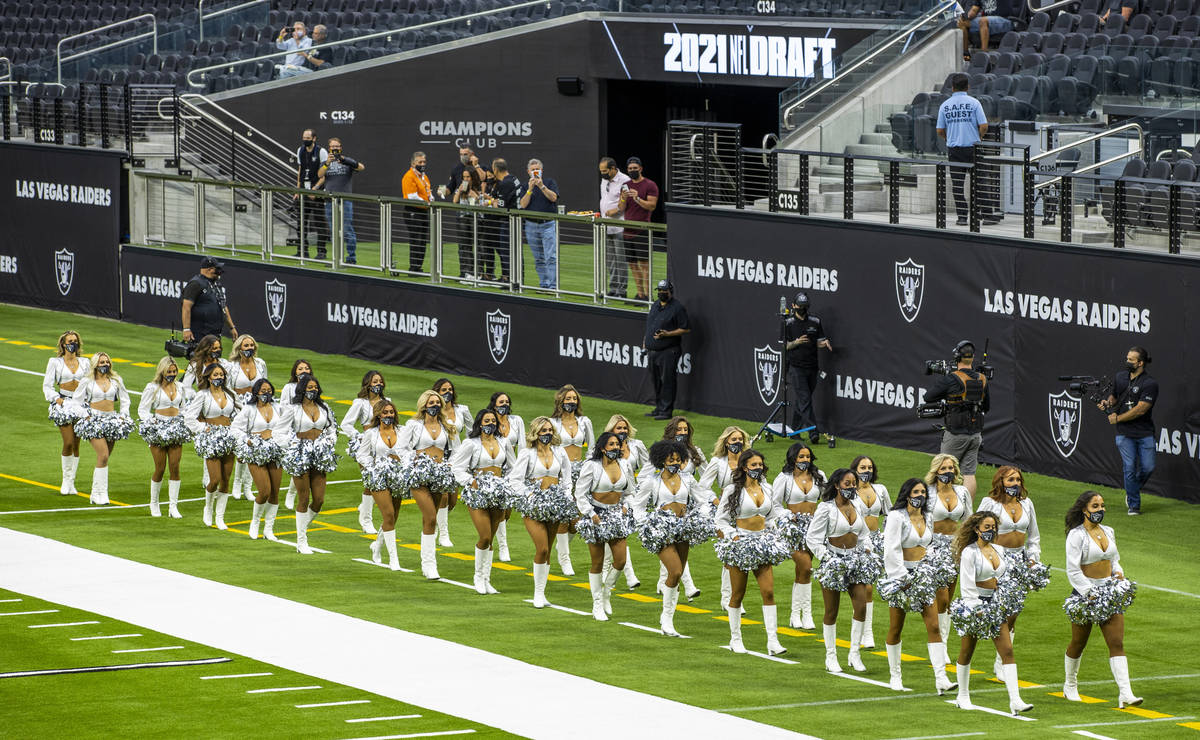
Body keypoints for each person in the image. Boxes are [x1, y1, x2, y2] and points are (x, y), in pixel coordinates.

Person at [949, 510, 1034, 715]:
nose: (991, 530)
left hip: (995, 605)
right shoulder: (969, 552)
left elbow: (1004, 577)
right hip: (975, 606)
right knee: (967, 652)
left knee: (1007, 651)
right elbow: (967, 585)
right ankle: (963, 695)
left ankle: (1015, 700)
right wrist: (976, 609)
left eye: (993, 527)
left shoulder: (999, 549)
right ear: (977, 529)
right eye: (987, 527)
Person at [1061, 491, 1142, 708]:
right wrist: (1089, 592)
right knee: (1079, 643)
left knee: (1116, 643)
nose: (1100, 510)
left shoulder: (1109, 531)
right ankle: (1070, 685)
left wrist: (1118, 572)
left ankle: (1125, 693)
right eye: (1095, 506)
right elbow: (1073, 570)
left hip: (1110, 593)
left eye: (1102, 506)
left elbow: (1114, 559)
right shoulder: (1076, 535)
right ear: (1084, 510)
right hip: (1085, 594)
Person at [879, 479, 957, 694]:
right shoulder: (896, 517)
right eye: (916, 491)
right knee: (896, 628)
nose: (920, 495)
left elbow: (928, 545)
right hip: (901, 577)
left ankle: (941, 677)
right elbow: (890, 549)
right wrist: (902, 578)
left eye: (923, 491)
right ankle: (895, 675)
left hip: (923, 576)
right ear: (906, 494)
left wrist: (930, 566)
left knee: (933, 626)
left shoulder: (928, 516)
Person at [633, 440, 716, 637]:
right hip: (662, 530)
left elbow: (702, 500)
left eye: (678, 460)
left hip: (683, 529)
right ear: (661, 461)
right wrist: (647, 523)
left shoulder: (688, 479)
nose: (675, 463)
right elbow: (638, 506)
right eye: (671, 459)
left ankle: (667, 618)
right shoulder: (651, 481)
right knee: (676, 570)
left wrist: (701, 516)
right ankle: (666, 619)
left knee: (677, 575)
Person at [715, 448, 790, 656]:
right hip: (740, 544)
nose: (757, 468)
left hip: (762, 544)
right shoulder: (733, 490)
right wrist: (733, 535)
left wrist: (778, 525)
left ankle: (773, 641)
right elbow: (720, 519)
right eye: (753, 465)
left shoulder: (767, 487)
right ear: (744, 467)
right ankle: (735, 638)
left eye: (759, 464)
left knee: (768, 592)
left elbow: (772, 515)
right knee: (738, 594)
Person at [806, 468, 881, 673]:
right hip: (833, 562)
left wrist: (867, 549)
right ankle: (831, 656)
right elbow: (812, 538)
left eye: (853, 483)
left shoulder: (857, 505)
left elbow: (864, 534)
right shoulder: (826, 509)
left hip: (855, 562)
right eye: (847, 484)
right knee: (832, 611)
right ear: (837, 485)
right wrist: (827, 557)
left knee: (861, 606)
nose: (851, 487)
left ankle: (854, 654)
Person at [976, 466, 1047, 678]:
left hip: (1020, 563)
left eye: (1017, 479)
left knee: (1013, 613)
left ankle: (1001, 663)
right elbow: (976, 531)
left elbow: (1033, 537)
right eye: (1010, 480)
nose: (1015, 483)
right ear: (1000, 482)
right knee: (995, 613)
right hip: (996, 561)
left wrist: (1033, 559)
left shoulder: (1027, 504)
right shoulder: (990, 504)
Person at [507, 416, 576, 608]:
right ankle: (537, 594)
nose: (547, 434)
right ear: (535, 433)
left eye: (549, 430)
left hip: (554, 506)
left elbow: (567, 478)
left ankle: (542, 593)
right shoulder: (526, 454)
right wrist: (530, 496)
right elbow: (515, 480)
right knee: (542, 548)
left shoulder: (560, 452)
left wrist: (565, 496)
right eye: (543, 431)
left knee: (547, 551)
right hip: (534, 506)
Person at [451, 408, 518, 595]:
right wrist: (471, 482)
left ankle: (487, 579)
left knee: (491, 539)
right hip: (478, 493)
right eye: (487, 421)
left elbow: (514, 467)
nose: (490, 424)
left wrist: (506, 484)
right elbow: (457, 468)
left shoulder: (504, 442)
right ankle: (478, 577)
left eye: (493, 421)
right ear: (480, 424)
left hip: (498, 493)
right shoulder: (470, 444)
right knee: (485, 536)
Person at [573, 432, 636, 622]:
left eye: (617, 444)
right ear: (602, 448)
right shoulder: (592, 466)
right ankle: (597, 603)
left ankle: (607, 591)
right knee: (597, 563)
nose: (616, 447)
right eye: (611, 444)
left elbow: (631, 492)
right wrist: (591, 514)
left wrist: (626, 506)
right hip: (596, 515)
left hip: (616, 516)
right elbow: (580, 494)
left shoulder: (625, 464)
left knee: (621, 560)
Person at [397, 390, 458, 579]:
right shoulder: (413, 425)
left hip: (439, 474)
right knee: (431, 517)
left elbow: (457, 451)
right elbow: (401, 447)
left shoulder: (447, 426)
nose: (435, 405)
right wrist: (413, 462)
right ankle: (429, 564)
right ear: (423, 405)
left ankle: (428, 564)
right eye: (431, 402)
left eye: (437, 402)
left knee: (431, 518)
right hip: (419, 475)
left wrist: (449, 466)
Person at [281, 373, 339, 555]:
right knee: (304, 498)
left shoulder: (324, 408)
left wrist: (330, 442)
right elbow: (279, 431)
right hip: (300, 454)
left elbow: (331, 430)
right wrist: (291, 446)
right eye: (309, 388)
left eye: (315, 388)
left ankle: (302, 528)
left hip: (320, 454)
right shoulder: (293, 409)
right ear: (302, 389)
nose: (313, 391)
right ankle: (301, 541)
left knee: (319, 500)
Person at [924, 340, 990, 496]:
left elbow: (928, 397)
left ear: (956, 358)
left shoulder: (952, 378)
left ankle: (941, 507)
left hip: (955, 433)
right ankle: (967, 513)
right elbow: (986, 407)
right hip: (975, 434)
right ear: (972, 358)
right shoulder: (982, 379)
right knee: (969, 473)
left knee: (943, 469)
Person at [772, 441, 825, 630]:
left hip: (813, 529)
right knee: (806, 566)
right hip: (792, 529)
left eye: (807, 457)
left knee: (802, 572)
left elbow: (826, 500)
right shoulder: (783, 478)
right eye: (801, 457)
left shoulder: (819, 476)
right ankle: (806, 614)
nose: (805, 460)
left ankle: (796, 616)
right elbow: (775, 504)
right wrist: (787, 516)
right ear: (793, 458)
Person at [1098, 346, 1157, 515]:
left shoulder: (1150, 384)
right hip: (1124, 434)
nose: (1127, 361)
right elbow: (1114, 396)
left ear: (1140, 363)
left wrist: (1118, 418)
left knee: (1148, 467)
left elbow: (1141, 409)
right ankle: (1134, 505)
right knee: (1129, 467)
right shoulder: (1120, 377)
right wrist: (1107, 403)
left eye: (1131, 359)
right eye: (1127, 358)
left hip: (1145, 432)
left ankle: (1132, 490)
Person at [73, 352, 134, 506]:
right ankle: (102, 493)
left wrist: (123, 416)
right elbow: (76, 401)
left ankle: (96, 493)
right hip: (94, 420)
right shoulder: (87, 381)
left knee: (104, 458)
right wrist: (85, 415)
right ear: (95, 365)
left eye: (107, 362)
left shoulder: (116, 380)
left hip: (112, 420)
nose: (105, 364)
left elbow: (125, 400)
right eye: (101, 362)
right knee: (104, 455)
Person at [184, 362, 240, 528]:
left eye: (221, 375)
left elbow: (244, 413)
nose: (219, 378)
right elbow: (189, 417)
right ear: (208, 377)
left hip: (228, 438)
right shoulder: (202, 395)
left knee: (225, 480)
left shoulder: (231, 394)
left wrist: (237, 428)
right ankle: (208, 509)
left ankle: (220, 517)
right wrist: (202, 428)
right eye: (215, 375)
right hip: (211, 439)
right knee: (214, 479)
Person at [232, 378, 288, 540]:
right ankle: (255, 522)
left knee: (275, 493)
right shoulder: (248, 410)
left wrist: (278, 436)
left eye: (269, 390)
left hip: (275, 452)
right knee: (264, 491)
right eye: (263, 390)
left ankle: (268, 529)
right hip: (256, 452)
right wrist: (248, 440)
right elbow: (235, 428)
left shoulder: (278, 408)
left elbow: (287, 427)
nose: (266, 393)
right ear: (256, 392)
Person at [925, 453, 973, 642]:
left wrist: (969, 545)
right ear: (936, 471)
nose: (947, 472)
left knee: (948, 598)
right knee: (941, 596)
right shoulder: (927, 492)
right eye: (943, 468)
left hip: (955, 547)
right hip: (932, 547)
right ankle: (937, 638)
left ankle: (941, 641)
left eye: (950, 468)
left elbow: (969, 519)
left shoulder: (962, 492)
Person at [699, 425, 748, 608]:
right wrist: (715, 501)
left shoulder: (749, 460)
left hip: (746, 513)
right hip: (725, 513)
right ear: (726, 442)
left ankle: (736, 597)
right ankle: (727, 597)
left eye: (740, 439)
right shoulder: (718, 462)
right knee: (729, 555)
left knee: (741, 556)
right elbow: (702, 486)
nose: (737, 442)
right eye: (734, 439)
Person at [355, 401, 408, 571]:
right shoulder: (371, 433)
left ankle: (377, 546)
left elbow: (410, 451)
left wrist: (404, 462)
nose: (389, 415)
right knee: (388, 514)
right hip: (378, 477)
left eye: (391, 412)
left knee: (393, 517)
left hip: (398, 477)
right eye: (385, 412)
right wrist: (374, 467)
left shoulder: (403, 431)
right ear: (378, 415)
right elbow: (361, 455)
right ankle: (394, 559)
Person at [137, 356, 190, 518]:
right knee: (160, 468)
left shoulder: (180, 387)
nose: (172, 374)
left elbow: (183, 408)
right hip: (158, 430)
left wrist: (183, 421)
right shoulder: (152, 388)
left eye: (174, 371)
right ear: (162, 371)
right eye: (169, 371)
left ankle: (173, 506)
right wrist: (151, 423)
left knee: (175, 467)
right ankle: (154, 503)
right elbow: (143, 410)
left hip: (175, 430)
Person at [936, 75, 993, 227]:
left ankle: (962, 217)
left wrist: (948, 138)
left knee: (957, 185)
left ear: (952, 88)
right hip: (973, 148)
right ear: (967, 87)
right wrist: (978, 136)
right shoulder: (974, 103)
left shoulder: (945, 105)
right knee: (980, 182)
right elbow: (984, 126)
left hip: (954, 150)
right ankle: (987, 215)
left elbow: (940, 130)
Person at [550, 384, 594, 576]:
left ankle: (561, 548)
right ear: (560, 401)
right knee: (562, 516)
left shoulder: (584, 421)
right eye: (568, 399)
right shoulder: (552, 423)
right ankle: (565, 559)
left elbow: (592, 447)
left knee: (577, 519)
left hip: (581, 472)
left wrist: (589, 468)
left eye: (574, 399)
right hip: (561, 473)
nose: (571, 402)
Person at [341, 370, 389, 536]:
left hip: (382, 445)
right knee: (370, 482)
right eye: (375, 382)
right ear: (368, 384)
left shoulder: (387, 402)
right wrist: (360, 437)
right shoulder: (360, 403)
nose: (378, 384)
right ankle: (366, 520)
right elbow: (346, 424)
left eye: (380, 381)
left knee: (381, 482)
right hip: (366, 445)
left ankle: (365, 506)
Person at [43, 330, 90, 496]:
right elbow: (47, 386)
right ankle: (65, 480)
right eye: (70, 341)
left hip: (81, 404)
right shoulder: (55, 362)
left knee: (77, 444)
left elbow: (91, 384)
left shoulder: (85, 362)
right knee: (68, 442)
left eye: (75, 341)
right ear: (63, 344)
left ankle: (71, 483)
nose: (73, 344)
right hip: (63, 403)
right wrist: (57, 399)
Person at [852, 454, 891, 649]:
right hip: (858, 543)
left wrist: (886, 537)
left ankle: (864, 632)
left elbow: (890, 514)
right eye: (863, 467)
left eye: (869, 468)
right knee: (864, 587)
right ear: (855, 470)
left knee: (869, 587)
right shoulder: (850, 490)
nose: (867, 471)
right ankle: (865, 633)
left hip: (876, 541)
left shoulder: (880, 490)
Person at [784, 292, 833, 442]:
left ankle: (794, 430)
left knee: (802, 400)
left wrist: (823, 343)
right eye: (800, 306)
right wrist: (796, 342)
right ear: (793, 306)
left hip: (812, 367)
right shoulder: (788, 323)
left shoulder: (815, 321)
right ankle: (814, 432)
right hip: (796, 368)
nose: (802, 309)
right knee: (805, 399)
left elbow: (817, 341)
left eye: (805, 307)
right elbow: (784, 346)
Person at [226, 334, 267, 502]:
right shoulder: (232, 366)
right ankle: (236, 484)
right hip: (238, 409)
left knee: (255, 447)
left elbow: (265, 385)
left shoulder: (261, 364)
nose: (249, 348)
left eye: (251, 345)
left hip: (257, 409)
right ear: (239, 349)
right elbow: (228, 389)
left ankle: (248, 487)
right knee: (241, 447)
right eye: (246, 345)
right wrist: (239, 407)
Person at [432, 378, 470, 548]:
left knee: (452, 500)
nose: (447, 392)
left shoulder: (462, 410)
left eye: (450, 389)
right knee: (444, 496)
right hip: (438, 458)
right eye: (443, 390)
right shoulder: (432, 410)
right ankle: (443, 534)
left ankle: (432, 521)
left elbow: (472, 431)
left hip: (457, 457)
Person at [643, 280, 689, 421]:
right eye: (660, 291)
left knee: (668, 380)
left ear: (670, 291)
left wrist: (667, 334)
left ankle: (666, 410)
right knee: (656, 380)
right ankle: (658, 407)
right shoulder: (655, 305)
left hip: (669, 350)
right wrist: (645, 342)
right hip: (653, 350)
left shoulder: (677, 308)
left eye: (664, 291)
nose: (661, 293)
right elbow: (650, 326)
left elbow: (686, 328)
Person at [316, 138, 364, 265]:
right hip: (330, 200)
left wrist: (344, 160)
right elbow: (320, 175)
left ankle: (351, 258)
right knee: (333, 230)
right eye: (332, 147)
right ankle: (336, 258)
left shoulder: (347, 161)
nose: (335, 148)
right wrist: (327, 163)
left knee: (347, 229)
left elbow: (361, 167)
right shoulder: (325, 162)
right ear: (329, 148)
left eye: (337, 146)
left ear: (340, 148)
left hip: (345, 200)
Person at [490, 391, 525, 562]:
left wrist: (523, 470)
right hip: (493, 469)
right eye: (501, 401)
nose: (504, 404)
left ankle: (493, 533)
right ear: (494, 404)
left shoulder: (517, 421)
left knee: (506, 512)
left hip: (512, 469)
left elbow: (523, 446)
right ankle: (503, 547)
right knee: (500, 510)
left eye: (506, 402)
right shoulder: (489, 420)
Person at [619, 157, 659, 301]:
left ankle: (648, 295)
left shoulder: (650, 185)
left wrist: (637, 198)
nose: (632, 171)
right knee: (632, 264)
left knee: (644, 265)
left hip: (642, 229)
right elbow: (621, 208)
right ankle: (640, 294)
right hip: (627, 230)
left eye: (635, 168)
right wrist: (623, 198)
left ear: (641, 169)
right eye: (630, 169)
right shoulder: (625, 185)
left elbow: (651, 206)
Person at [518, 158, 560, 289]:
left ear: (541, 171)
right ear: (528, 171)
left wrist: (541, 186)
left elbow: (553, 198)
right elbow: (523, 205)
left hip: (547, 224)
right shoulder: (525, 186)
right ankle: (544, 284)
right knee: (538, 258)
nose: (535, 172)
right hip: (531, 225)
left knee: (551, 257)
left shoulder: (549, 182)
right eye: (532, 170)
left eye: (537, 170)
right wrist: (530, 189)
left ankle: (553, 286)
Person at [448, 147, 489, 279]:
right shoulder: (457, 173)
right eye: (464, 177)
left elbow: (483, 183)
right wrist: (459, 191)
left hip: (477, 218)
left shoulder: (478, 181)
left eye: (468, 177)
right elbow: (454, 200)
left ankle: (479, 273)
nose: (466, 179)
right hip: (463, 217)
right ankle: (466, 272)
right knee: (464, 246)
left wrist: (475, 195)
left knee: (479, 246)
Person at [280, 358, 313, 510]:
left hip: (308, 430)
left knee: (305, 464)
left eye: (306, 368)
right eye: (300, 369)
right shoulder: (289, 387)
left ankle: (292, 492)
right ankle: (292, 494)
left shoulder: (313, 387)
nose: (304, 371)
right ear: (295, 372)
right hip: (293, 430)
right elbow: (283, 408)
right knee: (298, 462)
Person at [181, 257, 237, 343]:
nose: (219, 272)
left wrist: (232, 327)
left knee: (215, 355)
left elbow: (223, 306)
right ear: (209, 269)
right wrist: (186, 329)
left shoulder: (216, 284)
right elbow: (186, 307)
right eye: (217, 269)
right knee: (200, 356)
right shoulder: (195, 283)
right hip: (200, 334)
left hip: (215, 333)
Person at [481, 158, 518, 284]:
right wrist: (494, 201)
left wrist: (492, 202)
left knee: (506, 252)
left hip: (507, 221)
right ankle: (511, 279)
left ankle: (509, 279)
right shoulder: (513, 178)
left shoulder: (504, 183)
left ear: (496, 169)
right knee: (509, 252)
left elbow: (501, 207)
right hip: (513, 221)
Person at [598, 157, 631, 298]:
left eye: (605, 171)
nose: (602, 173)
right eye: (601, 171)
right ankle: (613, 288)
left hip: (619, 225)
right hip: (606, 224)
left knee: (620, 259)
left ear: (612, 169)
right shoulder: (604, 180)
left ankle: (622, 291)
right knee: (610, 259)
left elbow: (627, 202)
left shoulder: (625, 180)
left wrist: (616, 211)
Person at [294, 129, 328, 259]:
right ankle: (302, 251)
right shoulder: (300, 150)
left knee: (319, 223)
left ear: (314, 138)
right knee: (301, 223)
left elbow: (325, 174)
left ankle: (321, 251)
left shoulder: (322, 152)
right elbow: (300, 170)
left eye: (308, 137)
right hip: (303, 191)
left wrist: (316, 188)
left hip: (317, 192)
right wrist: (297, 189)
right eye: (304, 137)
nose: (305, 140)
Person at [402, 151, 433, 273]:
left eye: (424, 162)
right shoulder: (409, 176)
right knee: (416, 239)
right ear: (413, 163)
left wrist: (431, 198)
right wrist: (426, 202)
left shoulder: (424, 176)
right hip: (413, 210)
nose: (422, 164)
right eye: (420, 162)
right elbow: (412, 196)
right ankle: (413, 268)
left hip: (423, 211)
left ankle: (418, 267)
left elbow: (428, 190)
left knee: (423, 239)